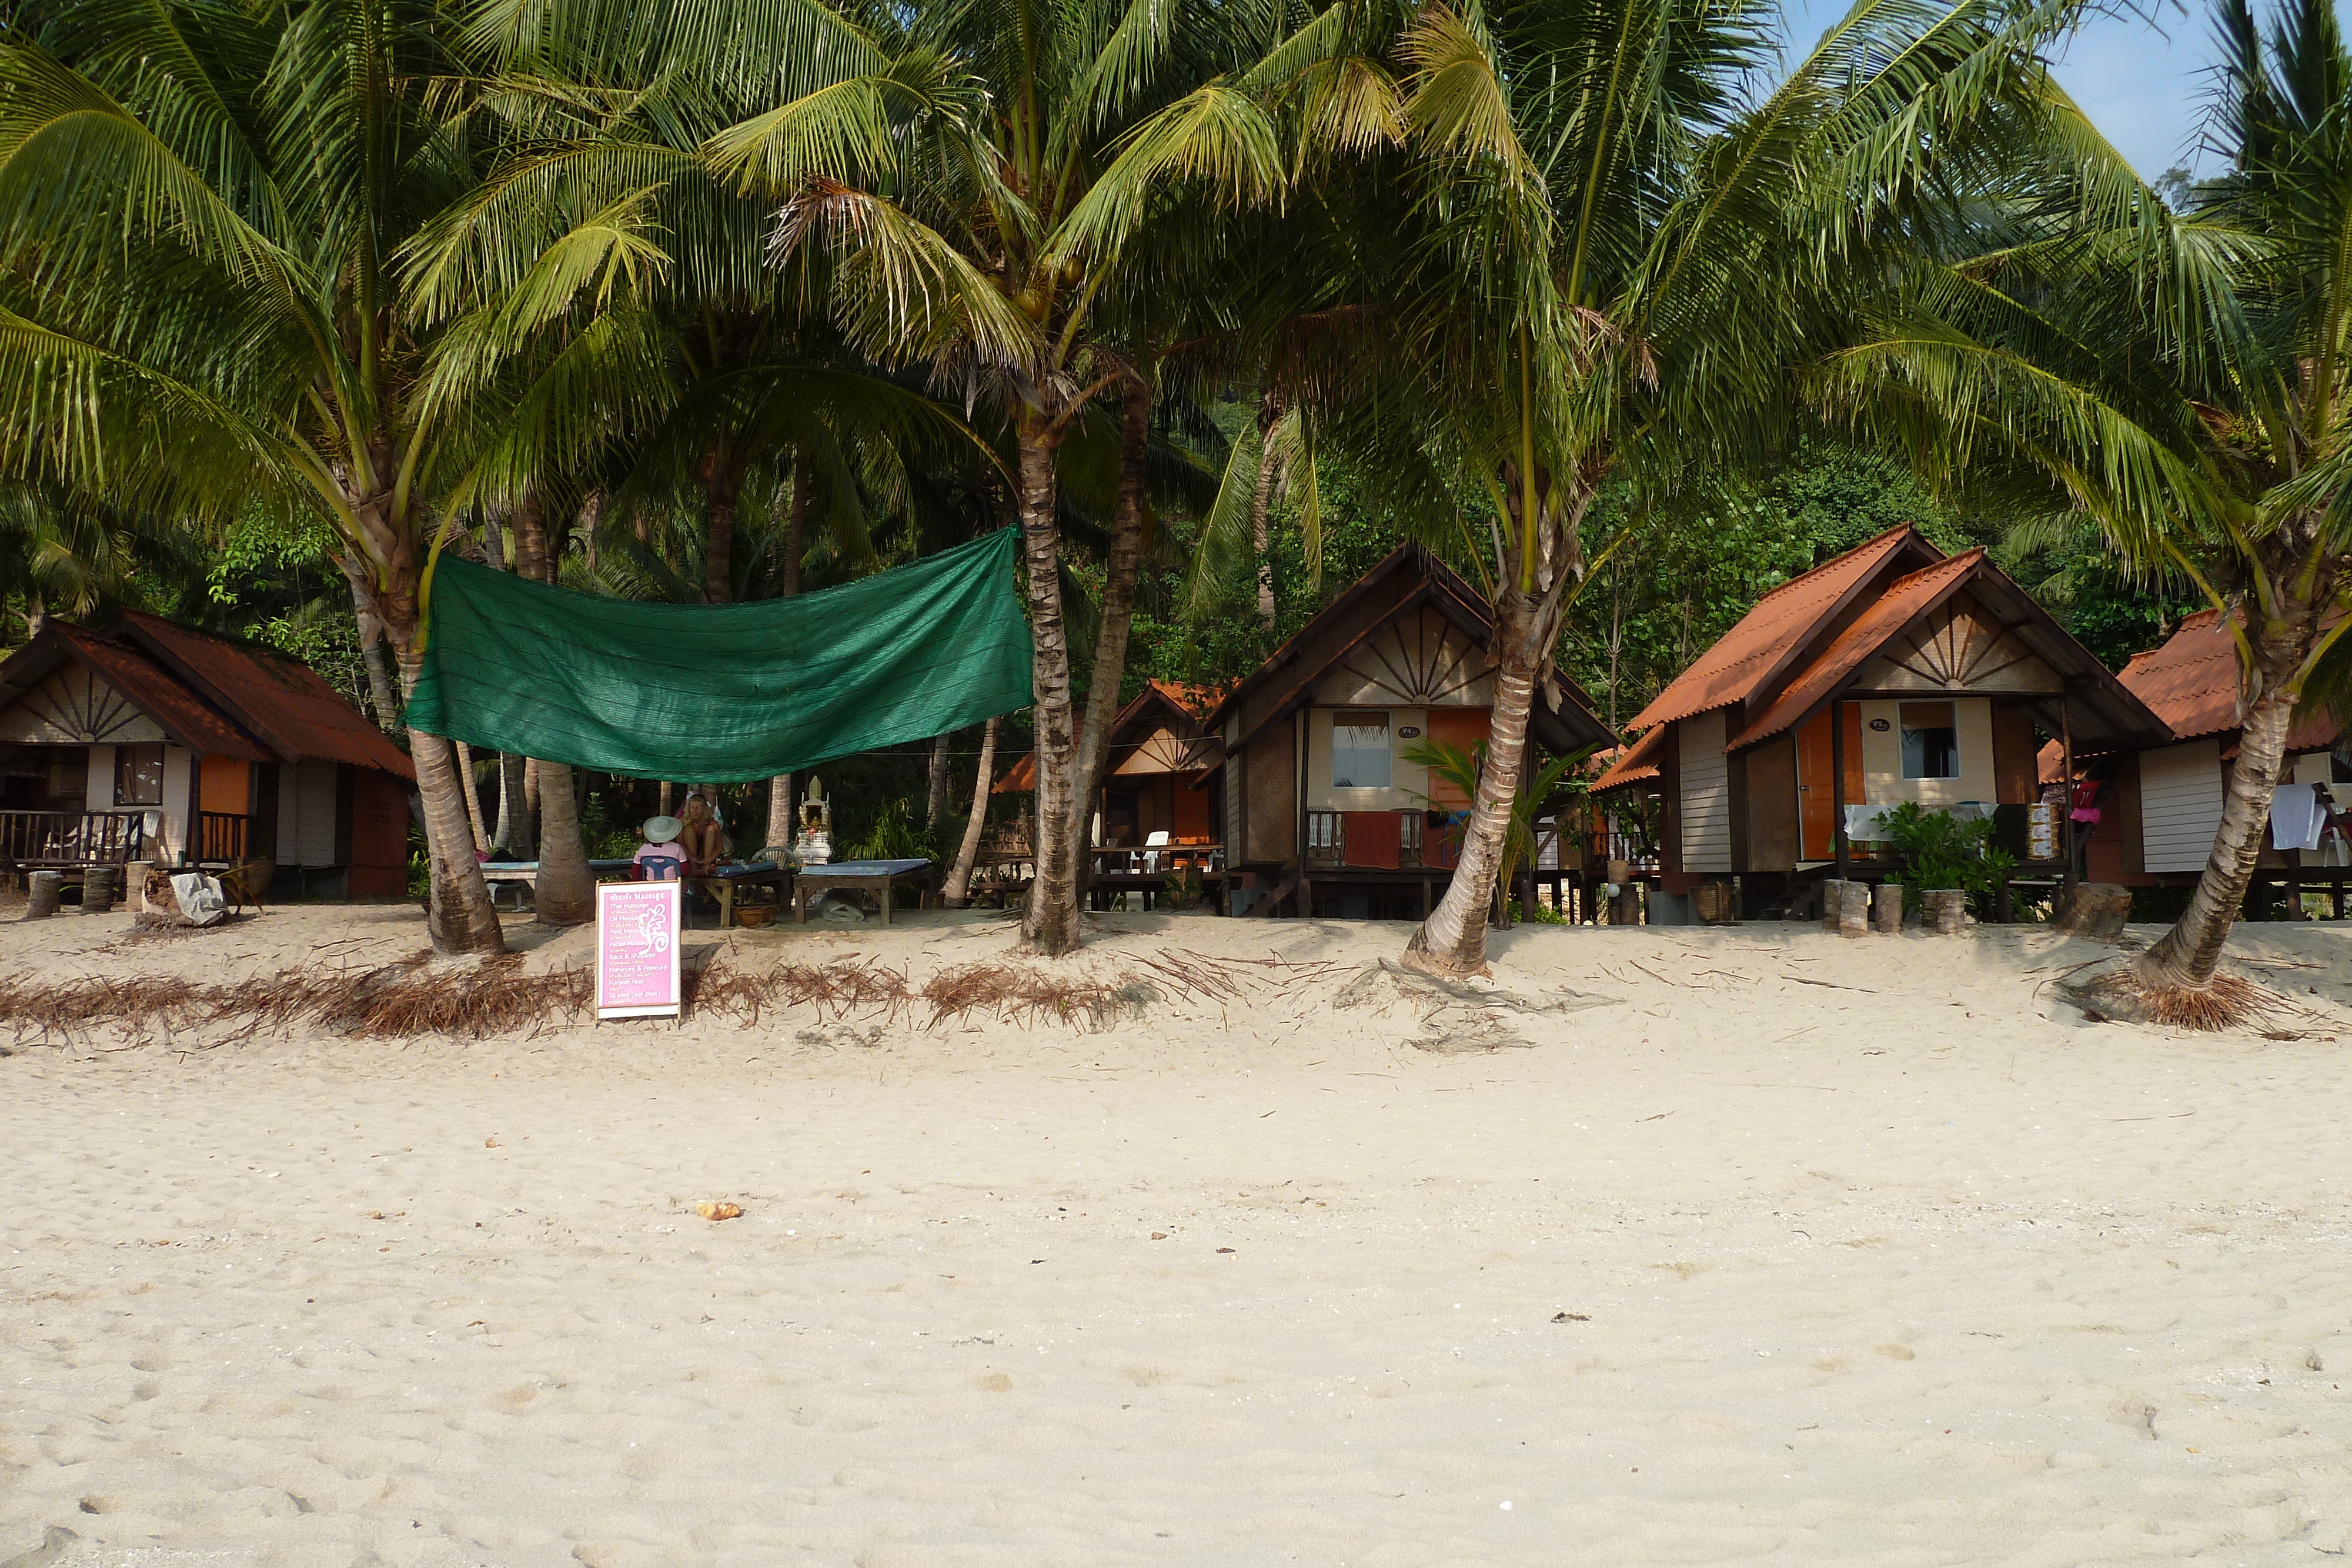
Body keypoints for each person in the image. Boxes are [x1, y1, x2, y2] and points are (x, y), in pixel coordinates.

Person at [677, 794, 728, 907]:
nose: (695, 811)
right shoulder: (683, 822)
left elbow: (720, 847)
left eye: (698, 808)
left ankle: (705, 867)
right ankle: (696, 870)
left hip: (707, 858)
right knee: (689, 830)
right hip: (690, 859)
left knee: (710, 830)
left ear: (704, 809)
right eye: (692, 808)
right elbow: (680, 845)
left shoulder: (713, 824)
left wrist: (708, 860)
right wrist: (693, 861)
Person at [634, 815, 687, 881]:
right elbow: (685, 871)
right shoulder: (677, 848)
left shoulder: (643, 849)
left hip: (650, 886)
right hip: (673, 886)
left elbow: (635, 874)